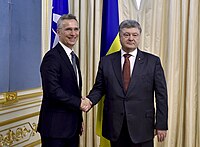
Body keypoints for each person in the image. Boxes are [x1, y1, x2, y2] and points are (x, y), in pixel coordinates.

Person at [86, 20, 168, 147]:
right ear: (119, 36)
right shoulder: (106, 61)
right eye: (126, 34)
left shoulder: (153, 62)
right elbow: (99, 88)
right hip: (115, 127)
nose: (131, 38)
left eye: (135, 35)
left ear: (139, 37)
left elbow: (161, 95)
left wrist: (161, 124)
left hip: (143, 127)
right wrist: (89, 101)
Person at [37, 14, 91, 147]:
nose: (73, 33)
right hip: (55, 129)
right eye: (68, 29)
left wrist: (79, 119)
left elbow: (73, 90)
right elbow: (53, 91)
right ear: (59, 32)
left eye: (76, 29)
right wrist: (80, 103)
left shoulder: (74, 58)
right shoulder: (52, 58)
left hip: (71, 127)